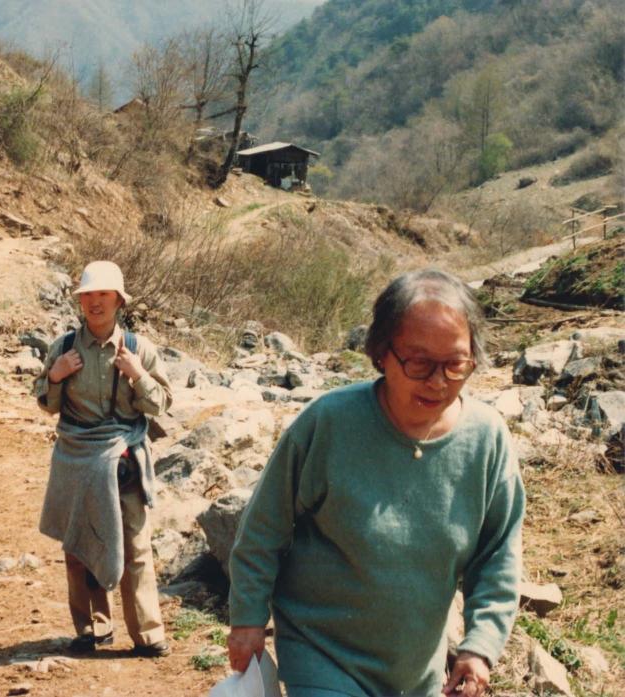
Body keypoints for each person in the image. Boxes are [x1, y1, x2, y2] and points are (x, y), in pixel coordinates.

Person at [227, 269, 525, 696]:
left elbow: (498, 556)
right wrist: (248, 620)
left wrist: (479, 648)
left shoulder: (486, 439)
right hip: (321, 653)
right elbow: (263, 530)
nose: (438, 382)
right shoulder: (328, 423)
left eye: (456, 364)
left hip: (414, 671)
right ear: (382, 353)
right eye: (420, 363)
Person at [35, 260, 173, 658]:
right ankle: (91, 630)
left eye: (103, 295)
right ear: (80, 302)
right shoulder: (62, 348)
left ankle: (147, 634)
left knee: (136, 547)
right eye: (88, 296)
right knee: (79, 547)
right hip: (77, 459)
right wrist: (56, 377)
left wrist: (137, 375)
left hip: (125, 459)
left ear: (118, 301)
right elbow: (46, 403)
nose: (95, 303)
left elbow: (161, 403)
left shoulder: (140, 349)